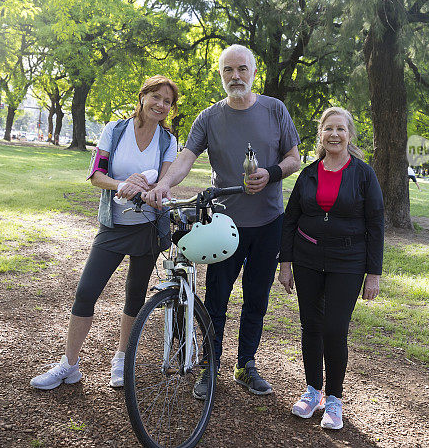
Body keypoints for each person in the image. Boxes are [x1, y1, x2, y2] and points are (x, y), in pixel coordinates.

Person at [145, 44, 301, 399]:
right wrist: (165, 183)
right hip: (222, 224)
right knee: (216, 299)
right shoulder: (209, 117)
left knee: (257, 299)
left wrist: (271, 173)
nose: (235, 76)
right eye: (228, 70)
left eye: (242, 69)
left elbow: (294, 158)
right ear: (221, 75)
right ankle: (209, 368)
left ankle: (246, 365)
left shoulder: (275, 110)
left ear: (253, 72)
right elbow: (185, 158)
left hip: (268, 222)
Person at [30, 75, 179, 390]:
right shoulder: (115, 130)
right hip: (114, 227)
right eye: (156, 97)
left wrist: (148, 179)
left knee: (134, 296)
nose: (161, 105)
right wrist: (122, 184)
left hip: (148, 227)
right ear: (142, 97)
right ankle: (69, 365)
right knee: (86, 292)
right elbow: (96, 175)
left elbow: (165, 183)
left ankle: (122, 359)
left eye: (167, 101)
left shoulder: (168, 140)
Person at [278, 107, 384, 430]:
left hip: (348, 262)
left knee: (335, 329)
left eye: (340, 129)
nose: (334, 134)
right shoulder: (308, 174)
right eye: (328, 129)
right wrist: (285, 264)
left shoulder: (364, 175)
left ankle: (334, 400)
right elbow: (290, 219)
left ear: (349, 134)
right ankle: (313, 391)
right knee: (310, 325)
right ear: (321, 135)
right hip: (307, 259)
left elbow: (376, 223)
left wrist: (373, 273)